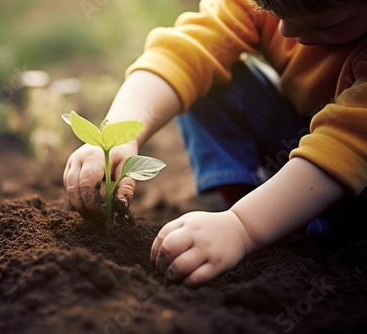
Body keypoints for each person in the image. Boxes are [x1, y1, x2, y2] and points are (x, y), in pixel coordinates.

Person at [63, 0, 367, 287]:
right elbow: (186, 53)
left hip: (352, 173)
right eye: (271, 10)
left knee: (337, 229)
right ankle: (243, 198)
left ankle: (273, 218)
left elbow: (344, 145)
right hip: (308, 131)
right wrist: (121, 132)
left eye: (326, 25)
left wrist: (241, 228)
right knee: (207, 75)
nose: (285, 30)